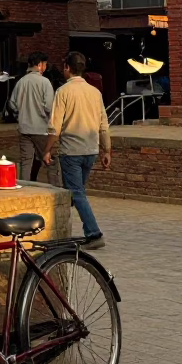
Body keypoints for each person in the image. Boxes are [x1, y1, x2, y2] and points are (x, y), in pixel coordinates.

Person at [43, 51, 109, 249]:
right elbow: (103, 124)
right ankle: (59, 224)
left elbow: (55, 126)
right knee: (75, 192)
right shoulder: (94, 92)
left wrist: (47, 149)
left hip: (71, 151)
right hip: (90, 149)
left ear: (67, 68)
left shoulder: (63, 92)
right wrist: (107, 150)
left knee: (76, 192)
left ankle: (93, 232)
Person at [8, 50, 57, 184]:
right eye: (45, 64)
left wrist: (21, 114)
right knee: (49, 161)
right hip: (41, 128)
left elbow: (12, 104)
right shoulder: (45, 82)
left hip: (24, 128)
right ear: (40, 65)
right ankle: (56, 189)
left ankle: (25, 189)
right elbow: (49, 106)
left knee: (26, 162)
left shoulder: (21, 82)